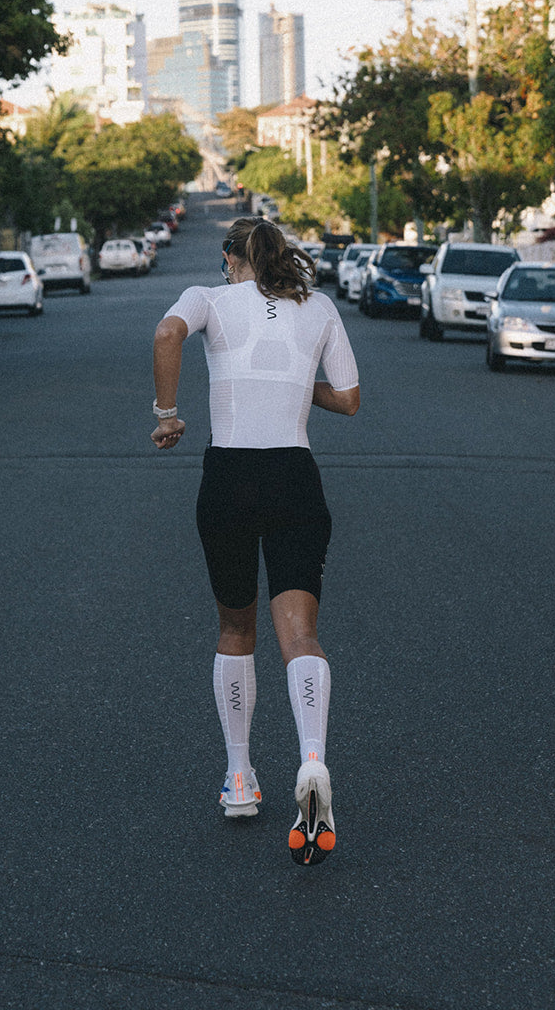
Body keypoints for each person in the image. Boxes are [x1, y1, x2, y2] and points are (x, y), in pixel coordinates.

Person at [151, 216, 360, 866]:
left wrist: (166, 415)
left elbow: (166, 333)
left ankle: (239, 778)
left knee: (234, 628)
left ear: (228, 257)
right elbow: (349, 399)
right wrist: (293, 388)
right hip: (294, 476)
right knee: (298, 633)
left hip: (231, 476)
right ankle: (312, 760)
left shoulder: (209, 300)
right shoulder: (318, 306)